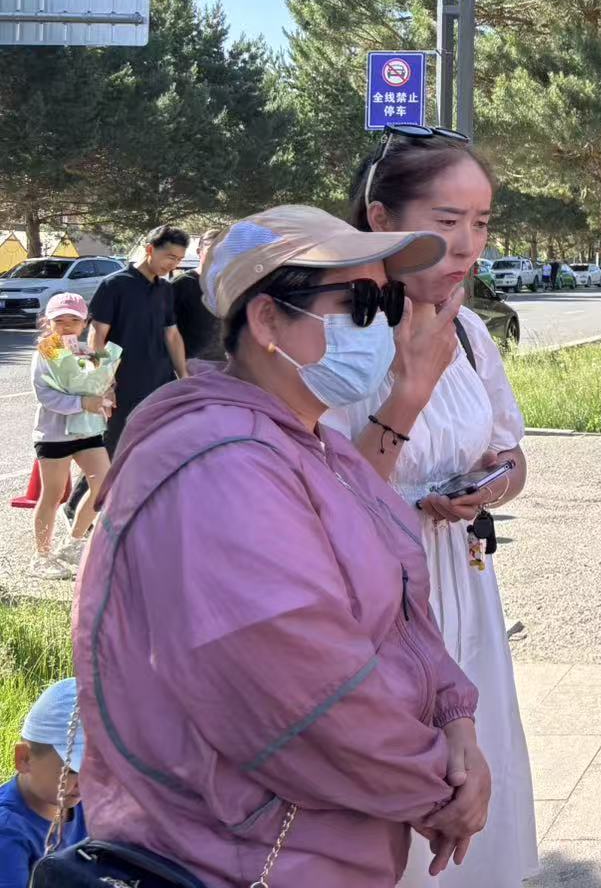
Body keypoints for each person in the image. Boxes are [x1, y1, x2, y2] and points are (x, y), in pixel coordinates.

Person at [71, 205, 492, 886]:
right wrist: (436, 787)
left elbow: (401, 616)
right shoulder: (221, 464)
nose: (382, 327)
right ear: (266, 321)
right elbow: (300, 688)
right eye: (358, 304)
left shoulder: (315, 445)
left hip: (326, 845)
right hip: (238, 855)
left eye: (388, 303)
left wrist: (455, 721)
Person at [326, 124, 538, 887]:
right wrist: (408, 392)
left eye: (480, 223)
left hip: (465, 586)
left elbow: (510, 453)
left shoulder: (471, 332)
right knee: (391, 811)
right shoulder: (330, 337)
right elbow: (322, 500)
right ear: (380, 219)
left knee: (475, 783)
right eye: (447, 221)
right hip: (372, 604)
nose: (468, 245)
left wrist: (491, 486)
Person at [66, 225, 189, 523]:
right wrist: (103, 381)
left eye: (178, 259)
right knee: (111, 448)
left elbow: (172, 334)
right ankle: (76, 509)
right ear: (150, 250)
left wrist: (184, 376)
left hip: (159, 381)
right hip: (122, 384)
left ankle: (128, 510)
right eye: (169, 256)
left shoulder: (165, 289)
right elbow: (97, 336)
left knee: (148, 446)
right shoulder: (115, 284)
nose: (173, 264)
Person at [27, 293, 115, 579]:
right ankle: (42, 557)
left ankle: (73, 543)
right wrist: (82, 403)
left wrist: (107, 390)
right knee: (52, 494)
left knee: (104, 486)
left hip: (88, 431)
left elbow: (101, 382)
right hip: (53, 435)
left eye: (74, 320)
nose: (66, 325)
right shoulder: (45, 351)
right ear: (47, 322)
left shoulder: (86, 352)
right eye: (59, 320)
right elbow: (45, 395)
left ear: (85, 323)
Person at [0, 678, 87, 887]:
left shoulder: (88, 806)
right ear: (24, 758)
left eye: (95, 770)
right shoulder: (8, 831)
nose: (84, 782)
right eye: (72, 771)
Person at [172, 241, 225, 362]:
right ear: (199, 252)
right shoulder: (181, 284)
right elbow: (164, 329)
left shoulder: (228, 285)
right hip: (189, 364)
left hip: (222, 364)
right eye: (210, 250)